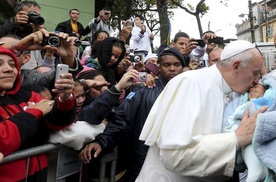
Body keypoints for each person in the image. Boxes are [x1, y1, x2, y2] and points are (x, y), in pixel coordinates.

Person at [136, 40, 267, 181]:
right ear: (236, 66)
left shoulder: (236, 91)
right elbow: (174, 156)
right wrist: (236, 138)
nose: (256, 81)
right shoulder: (190, 83)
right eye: (255, 73)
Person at [80, 47, 185, 181]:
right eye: (167, 65)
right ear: (158, 66)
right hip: (145, 160)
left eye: (177, 65)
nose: (172, 69)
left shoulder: (190, 93)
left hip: (177, 160)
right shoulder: (144, 90)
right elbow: (122, 120)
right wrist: (101, 142)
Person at [0, 46, 76, 182]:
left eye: (12, 64)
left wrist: (65, 99)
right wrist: (34, 113)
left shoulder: (29, 95)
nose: (8, 69)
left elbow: (57, 123)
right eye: (0, 64)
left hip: (38, 174)